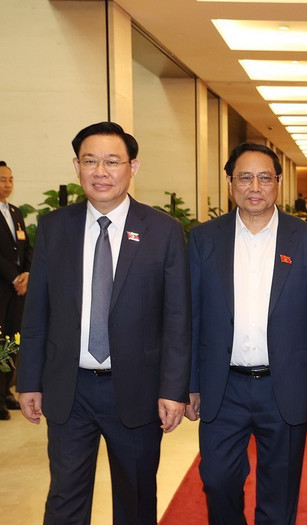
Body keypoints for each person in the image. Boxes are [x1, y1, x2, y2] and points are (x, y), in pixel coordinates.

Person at [16, 122, 191, 524]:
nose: (100, 171)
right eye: (90, 161)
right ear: (76, 166)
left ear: (133, 167)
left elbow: (177, 318)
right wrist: (29, 380)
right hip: (69, 389)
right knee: (64, 500)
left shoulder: (162, 231)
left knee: (135, 499)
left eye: (112, 161)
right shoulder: (55, 228)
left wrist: (173, 389)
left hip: (137, 390)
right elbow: (37, 310)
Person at [186, 141, 307, 524]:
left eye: (264, 177)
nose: (255, 187)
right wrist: (189, 383)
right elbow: (190, 317)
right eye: (245, 177)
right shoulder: (204, 239)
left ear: (278, 182)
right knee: (218, 482)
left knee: (280, 491)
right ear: (230, 183)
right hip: (223, 387)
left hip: (283, 386)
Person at [0, 161, 32, 420]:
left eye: (10, 179)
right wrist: (13, 276)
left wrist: (27, 275)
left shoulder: (15, 212)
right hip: (2, 287)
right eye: (2, 180)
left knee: (12, 340)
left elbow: (26, 248)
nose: (7, 184)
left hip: (18, 291)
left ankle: (5, 391)